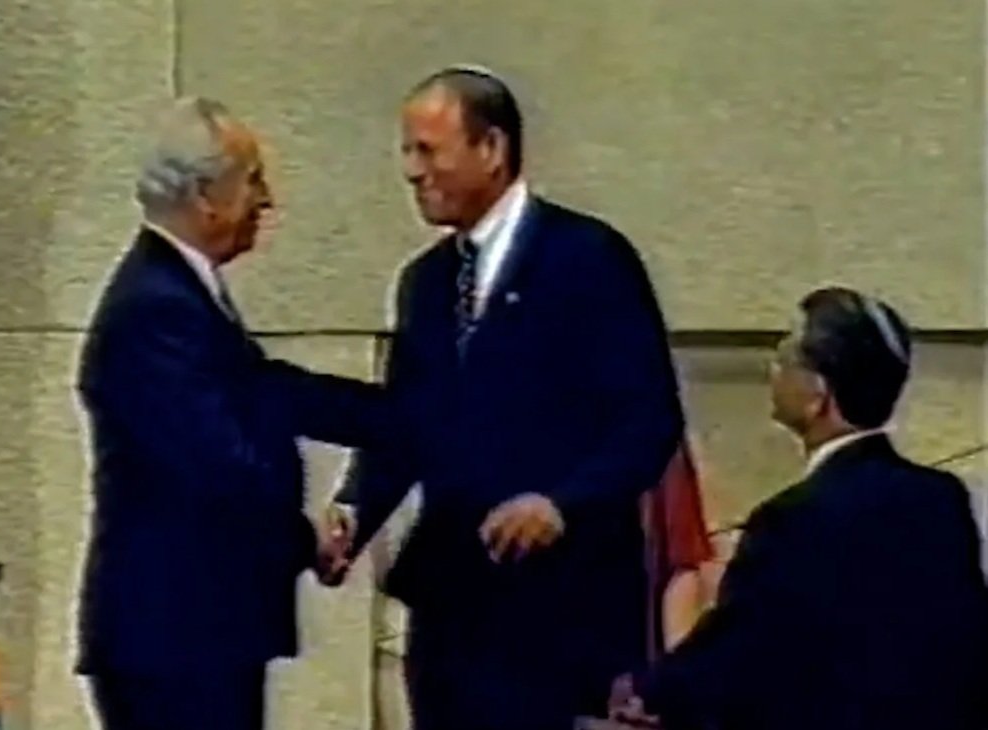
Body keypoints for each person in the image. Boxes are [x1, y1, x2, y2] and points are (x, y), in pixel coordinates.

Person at [323, 66, 685, 729]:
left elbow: (649, 420)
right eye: (406, 150)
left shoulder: (588, 260)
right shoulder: (425, 285)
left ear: (491, 149)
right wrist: (352, 511)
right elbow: (405, 424)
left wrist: (562, 503)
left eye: (427, 150)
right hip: (452, 611)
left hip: (561, 610)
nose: (410, 170)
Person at [74, 96, 393, 730]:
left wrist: (406, 416)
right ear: (204, 196)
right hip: (172, 640)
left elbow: (271, 392)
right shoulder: (156, 309)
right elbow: (221, 469)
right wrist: (309, 541)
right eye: (253, 180)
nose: (267, 200)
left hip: (194, 637)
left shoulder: (179, 293)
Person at [610, 287, 988, 730]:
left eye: (786, 358)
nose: (773, 371)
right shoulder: (940, 501)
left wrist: (648, 692)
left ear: (818, 394)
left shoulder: (794, 520)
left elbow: (739, 650)